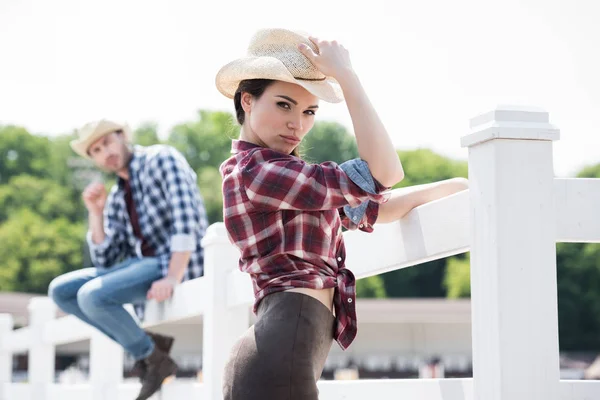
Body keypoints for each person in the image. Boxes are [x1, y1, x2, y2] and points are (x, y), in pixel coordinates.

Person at [216, 28, 469, 399]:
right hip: (278, 352)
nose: (297, 124)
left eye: (309, 111)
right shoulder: (257, 172)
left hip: (283, 348)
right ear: (248, 101)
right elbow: (384, 172)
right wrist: (347, 78)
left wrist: (455, 188)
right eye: (284, 105)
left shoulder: (288, 183)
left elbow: (374, 207)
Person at [48, 120, 208, 400]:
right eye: (96, 150)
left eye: (107, 142)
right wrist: (95, 213)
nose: (105, 152)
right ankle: (149, 350)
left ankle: (151, 356)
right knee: (60, 291)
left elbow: (187, 221)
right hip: (139, 266)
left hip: (169, 262)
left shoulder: (161, 158)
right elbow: (107, 261)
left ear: (122, 137)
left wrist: (172, 276)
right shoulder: (117, 196)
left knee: (92, 296)